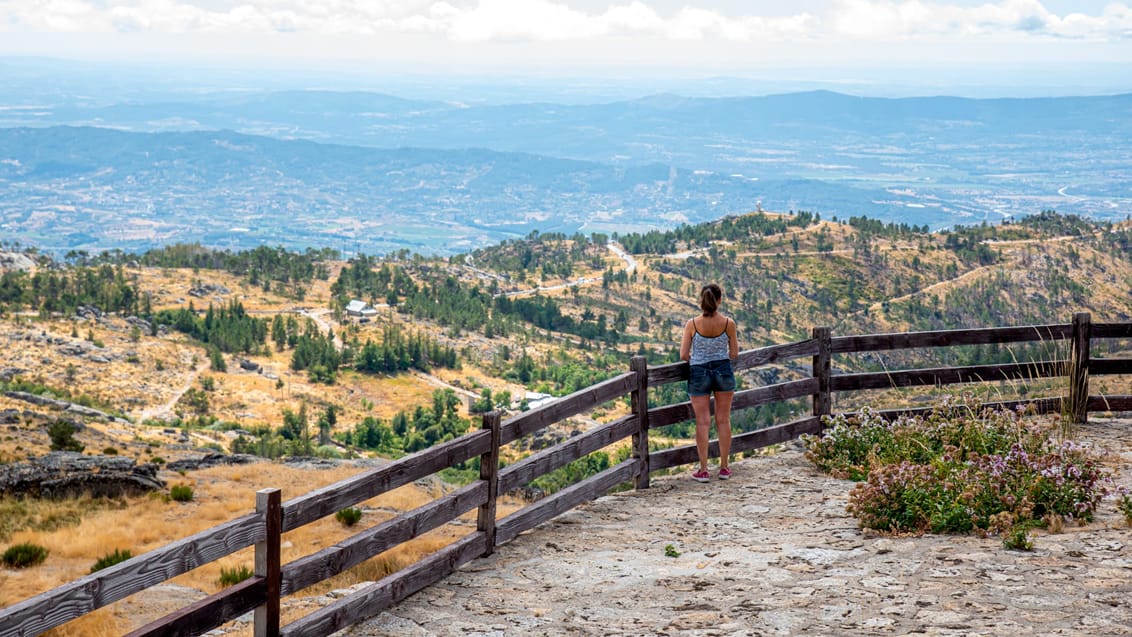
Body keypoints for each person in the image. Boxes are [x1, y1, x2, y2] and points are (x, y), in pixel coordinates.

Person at [679, 283, 739, 482]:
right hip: (723, 370)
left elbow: (683, 355)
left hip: (699, 372)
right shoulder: (729, 323)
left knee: (703, 422)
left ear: (701, 301)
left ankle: (703, 470)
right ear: (719, 300)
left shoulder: (692, 324)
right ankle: (724, 467)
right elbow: (734, 354)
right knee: (723, 420)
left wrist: (700, 358)